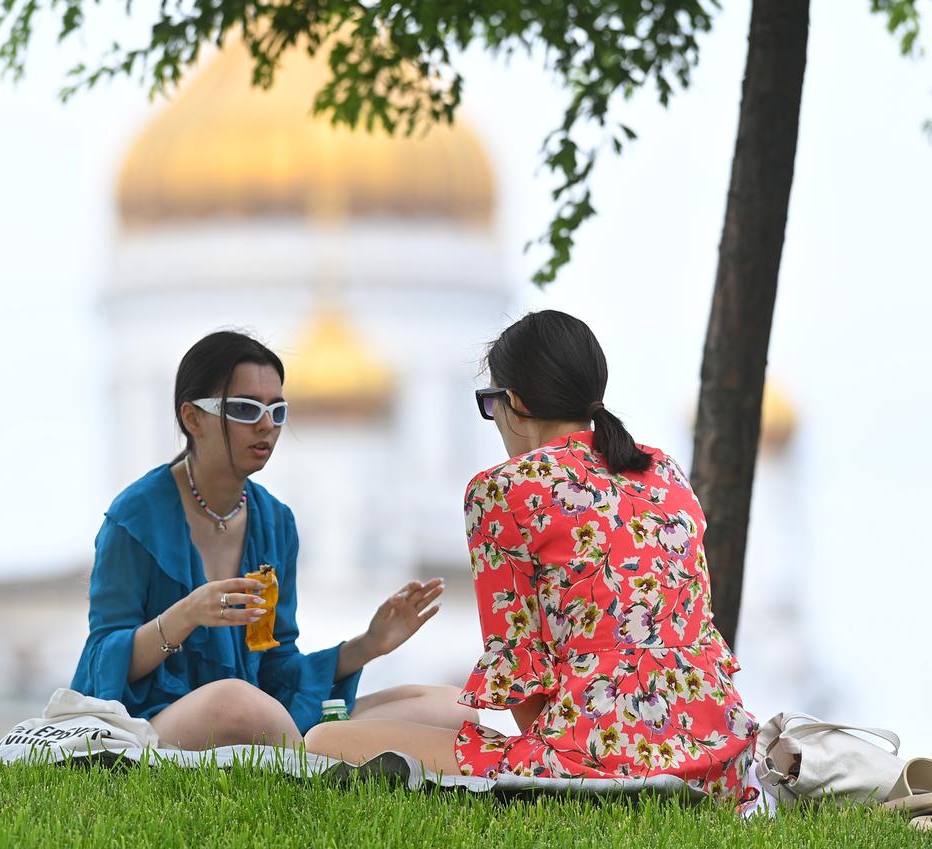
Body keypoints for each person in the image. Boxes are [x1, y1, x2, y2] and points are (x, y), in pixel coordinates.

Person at [305, 311, 758, 804]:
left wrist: (550, 752)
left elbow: (520, 675)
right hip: (720, 758)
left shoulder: (503, 488)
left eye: (491, 403)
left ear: (513, 401)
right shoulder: (663, 471)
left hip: (600, 764)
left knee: (325, 741)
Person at [71, 330, 477, 749]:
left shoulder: (275, 522)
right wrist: (187, 614)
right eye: (246, 409)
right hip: (154, 721)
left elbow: (277, 666)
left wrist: (368, 645)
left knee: (451, 709)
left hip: (263, 714)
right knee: (235, 700)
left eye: (277, 410)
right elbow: (104, 662)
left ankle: (321, 748)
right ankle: (321, 757)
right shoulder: (134, 519)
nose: (266, 425)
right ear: (193, 418)